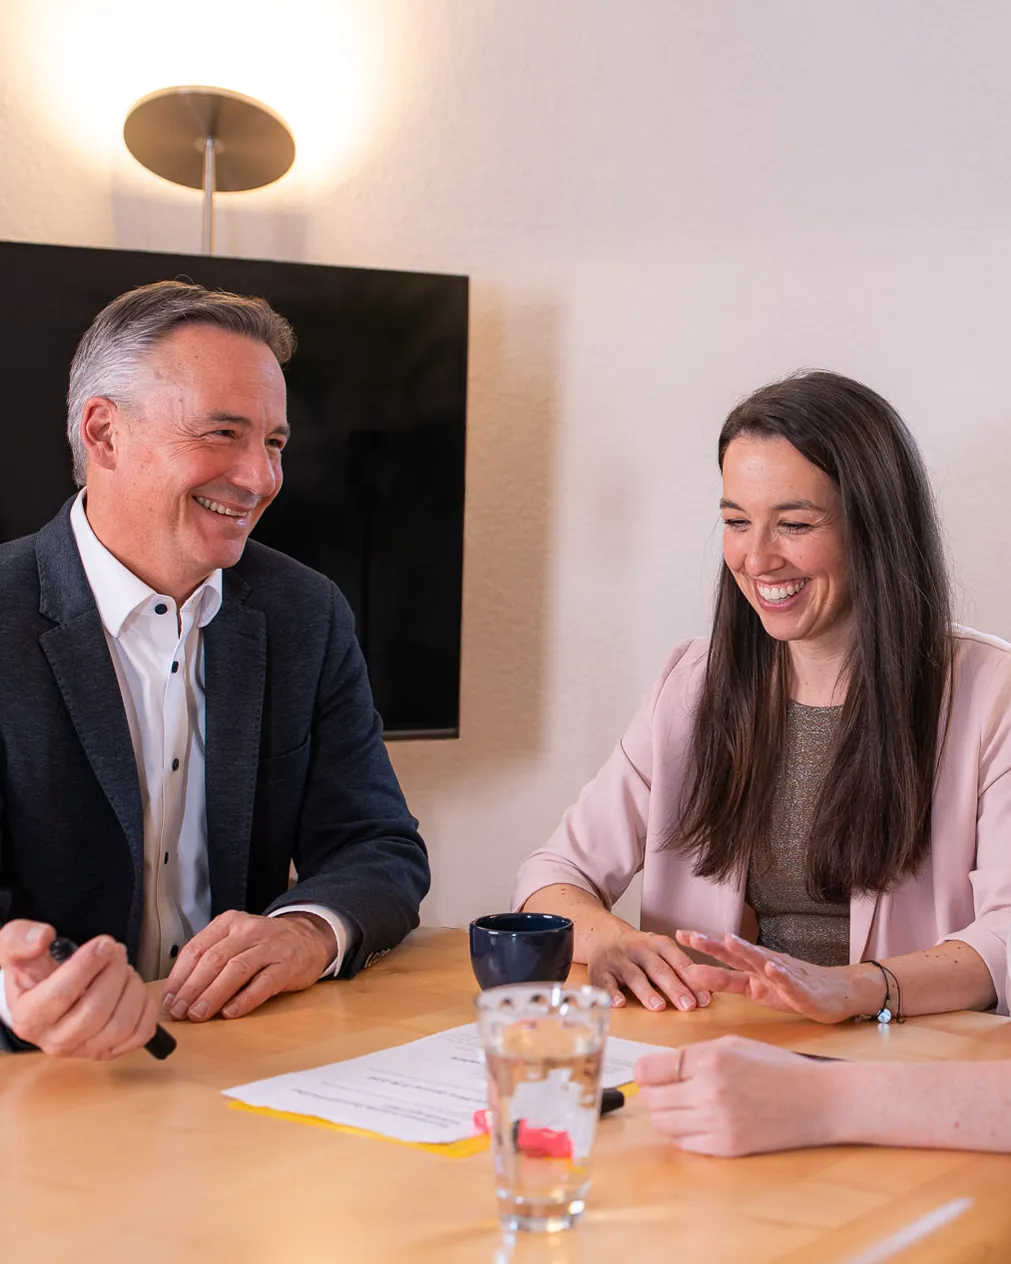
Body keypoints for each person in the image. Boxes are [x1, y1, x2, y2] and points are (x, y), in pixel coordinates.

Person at [0, 281, 430, 1059]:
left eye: (272, 443)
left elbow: (377, 846)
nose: (261, 478)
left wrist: (304, 932)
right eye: (223, 433)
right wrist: (14, 989)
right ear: (104, 433)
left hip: (241, 1062)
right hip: (35, 1074)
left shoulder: (306, 611)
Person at [515, 371, 1011, 1024]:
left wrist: (859, 987)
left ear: (874, 528)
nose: (755, 558)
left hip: (909, 1060)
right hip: (724, 1045)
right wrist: (609, 937)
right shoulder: (689, 682)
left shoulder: (990, 693)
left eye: (794, 524)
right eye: (735, 522)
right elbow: (553, 874)